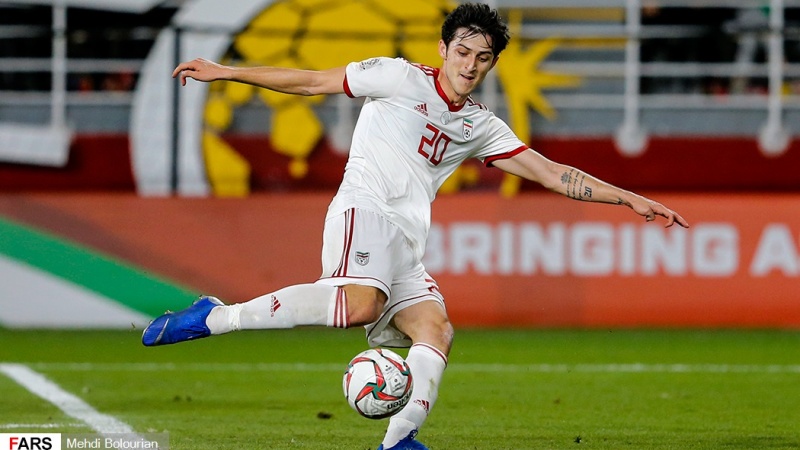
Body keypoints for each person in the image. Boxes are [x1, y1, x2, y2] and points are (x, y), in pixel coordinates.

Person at [142, 3, 689, 449]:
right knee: (360, 305)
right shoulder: (397, 76)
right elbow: (311, 81)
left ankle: (398, 442)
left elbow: (551, 173)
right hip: (364, 208)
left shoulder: (479, 125)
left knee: (435, 330)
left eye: (483, 58)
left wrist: (629, 198)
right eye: (463, 52)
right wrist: (227, 72)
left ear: (492, 64)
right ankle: (217, 316)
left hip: (405, 239)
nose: (470, 65)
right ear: (443, 49)